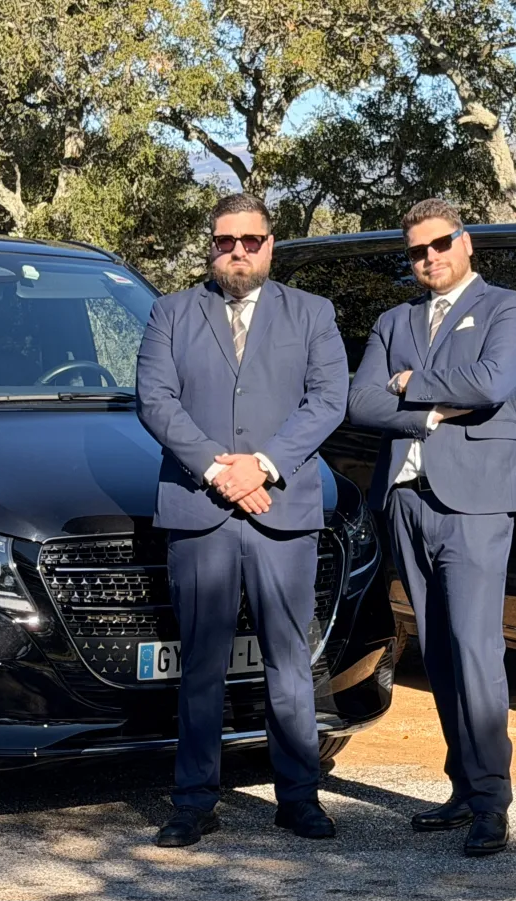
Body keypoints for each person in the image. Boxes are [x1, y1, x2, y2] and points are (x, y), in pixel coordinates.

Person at [136, 193, 349, 847]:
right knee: (200, 663)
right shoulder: (172, 312)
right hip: (200, 511)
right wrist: (217, 469)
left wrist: (262, 465)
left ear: (270, 244)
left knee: (290, 662)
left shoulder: (311, 313)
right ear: (211, 245)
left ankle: (299, 797)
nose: (237, 251)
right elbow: (156, 398)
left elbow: (328, 399)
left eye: (250, 240)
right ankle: (194, 800)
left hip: (280, 512)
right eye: (225, 240)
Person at [347, 198, 516, 857]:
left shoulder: (506, 308)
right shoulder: (393, 318)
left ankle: (492, 800)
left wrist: (408, 380)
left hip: (476, 504)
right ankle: (463, 788)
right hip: (406, 500)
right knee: (435, 650)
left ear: (466, 244)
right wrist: (427, 411)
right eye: (416, 251)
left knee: (475, 648)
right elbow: (363, 400)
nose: (429, 258)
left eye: (440, 244)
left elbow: (492, 383)